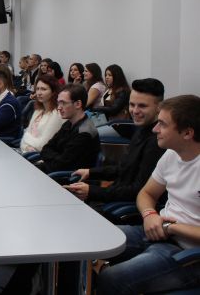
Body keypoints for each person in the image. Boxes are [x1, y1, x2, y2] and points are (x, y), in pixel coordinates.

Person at [97, 95, 200, 295]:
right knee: (89, 239)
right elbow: (147, 193)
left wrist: (170, 227)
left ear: (187, 133)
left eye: (162, 124)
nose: (155, 129)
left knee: (112, 278)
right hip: (159, 232)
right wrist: (149, 214)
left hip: (190, 254)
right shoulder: (171, 154)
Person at [66, 78, 166, 209]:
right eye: (132, 105)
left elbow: (138, 191)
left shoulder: (158, 142)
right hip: (115, 197)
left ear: (159, 108)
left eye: (142, 106)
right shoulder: (141, 130)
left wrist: (93, 191)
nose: (135, 111)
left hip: (124, 207)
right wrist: (91, 172)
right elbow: (123, 168)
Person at [37, 84, 100, 173]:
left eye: (63, 103)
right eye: (58, 103)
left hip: (65, 178)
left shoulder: (85, 132)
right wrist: (56, 156)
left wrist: (51, 156)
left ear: (78, 104)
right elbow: (46, 148)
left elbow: (60, 165)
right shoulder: (69, 123)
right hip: (53, 171)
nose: (59, 107)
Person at [20, 75, 64, 153]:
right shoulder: (39, 110)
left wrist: (26, 137)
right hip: (25, 153)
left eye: (43, 89)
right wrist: (26, 147)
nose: (39, 93)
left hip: (39, 158)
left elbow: (43, 145)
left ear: (53, 92)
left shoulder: (57, 114)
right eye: (37, 89)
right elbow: (23, 140)